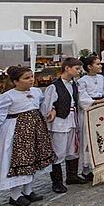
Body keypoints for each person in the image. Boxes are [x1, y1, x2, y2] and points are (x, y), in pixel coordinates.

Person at [0, 66, 54, 206]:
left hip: (35, 130)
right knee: (18, 161)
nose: (31, 80)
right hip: (16, 131)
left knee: (33, 158)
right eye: (26, 78)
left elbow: (43, 105)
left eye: (31, 76)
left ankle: (28, 190)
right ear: (15, 81)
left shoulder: (37, 92)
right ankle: (15, 194)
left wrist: (51, 110)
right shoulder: (8, 96)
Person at [41, 58, 86, 193]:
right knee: (58, 151)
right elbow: (47, 106)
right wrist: (52, 110)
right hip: (60, 122)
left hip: (72, 120)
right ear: (67, 68)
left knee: (73, 149)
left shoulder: (74, 84)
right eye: (77, 68)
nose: (79, 71)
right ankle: (57, 182)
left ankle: (72, 176)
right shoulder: (54, 86)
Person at [78, 54, 104, 180]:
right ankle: (86, 168)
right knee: (88, 138)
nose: (100, 66)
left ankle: (101, 164)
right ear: (90, 67)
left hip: (101, 108)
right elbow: (82, 98)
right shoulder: (82, 81)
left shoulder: (102, 78)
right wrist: (96, 102)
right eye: (97, 64)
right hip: (90, 108)